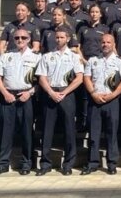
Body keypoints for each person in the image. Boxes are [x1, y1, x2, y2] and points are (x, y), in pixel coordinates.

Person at [0, 28, 40, 176]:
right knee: (5, 131)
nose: (20, 40)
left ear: (29, 39)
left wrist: (29, 93)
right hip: (8, 97)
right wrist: (5, 93)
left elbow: (42, 81)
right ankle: (2, 164)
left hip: (26, 97)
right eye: (17, 38)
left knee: (26, 132)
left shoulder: (37, 58)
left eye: (23, 38)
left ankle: (27, 163)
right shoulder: (6, 56)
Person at [36, 29, 84, 176]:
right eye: (57, 37)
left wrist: (65, 92)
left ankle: (68, 164)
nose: (58, 39)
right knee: (47, 129)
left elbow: (79, 78)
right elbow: (41, 77)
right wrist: (51, 92)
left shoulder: (74, 57)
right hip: (50, 94)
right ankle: (45, 164)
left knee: (69, 129)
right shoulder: (47, 56)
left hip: (66, 94)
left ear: (68, 39)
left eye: (62, 37)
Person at [82, 34, 121, 175]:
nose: (105, 44)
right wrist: (93, 94)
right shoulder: (93, 60)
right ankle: (92, 163)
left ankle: (111, 163)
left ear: (113, 44)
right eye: (103, 42)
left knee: (111, 133)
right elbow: (86, 77)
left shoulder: (119, 61)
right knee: (93, 134)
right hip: (95, 101)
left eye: (109, 42)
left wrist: (113, 95)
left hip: (112, 101)